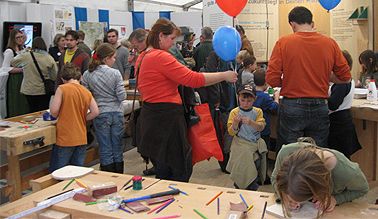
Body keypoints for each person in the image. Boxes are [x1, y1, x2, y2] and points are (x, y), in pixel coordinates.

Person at [134, 18, 237, 182]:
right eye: (172, 39)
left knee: (164, 169)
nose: (174, 43)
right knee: (180, 168)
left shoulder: (143, 56)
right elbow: (193, 79)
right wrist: (224, 76)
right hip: (167, 119)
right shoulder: (160, 56)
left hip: (152, 118)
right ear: (161, 36)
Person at [265, 6, 351, 152]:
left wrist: (290, 80)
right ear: (312, 23)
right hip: (320, 104)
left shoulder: (283, 43)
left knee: (290, 154)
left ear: (293, 24)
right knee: (317, 154)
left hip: (292, 104)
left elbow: (272, 79)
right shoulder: (330, 43)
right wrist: (322, 76)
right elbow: (346, 77)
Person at [271, 137, 369, 219]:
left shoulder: (347, 172)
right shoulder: (285, 153)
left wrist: (336, 199)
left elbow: (362, 190)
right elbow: (275, 177)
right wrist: (284, 196)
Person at [82, 44, 127, 173]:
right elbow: (121, 96)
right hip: (117, 113)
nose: (114, 60)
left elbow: (86, 96)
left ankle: (108, 176)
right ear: (106, 58)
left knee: (105, 148)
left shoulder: (87, 74)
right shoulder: (115, 73)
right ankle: (119, 175)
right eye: (113, 57)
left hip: (100, 113)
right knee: (117, 146)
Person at [49, 63, 99, 173]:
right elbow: (95, 112)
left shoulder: (62, 89)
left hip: (65, 137)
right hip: (81, 137)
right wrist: (82, 117)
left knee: (59, 172)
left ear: (63, 79)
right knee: (77, 171)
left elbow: (54, 111)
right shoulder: (86, 91)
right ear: (80, 78)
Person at [226, 84, 267, 190]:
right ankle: (239, 190)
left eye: (249, 101)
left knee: (254, 170)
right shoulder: (235, 112)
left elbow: (261, 126)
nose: (245, 103)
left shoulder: (257, 112)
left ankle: (252, 189)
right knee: (239, 170)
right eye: (243, 100)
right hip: (241, 146)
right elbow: (231, 132)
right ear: (238, 97)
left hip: (254, 146)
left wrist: (251, 123)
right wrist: (235, 123)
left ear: (255, 99)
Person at [328, 50, 361, 159]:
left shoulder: (341, 83)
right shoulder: (348, 80)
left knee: (339, 158)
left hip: (338, 124)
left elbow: (333, 104)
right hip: (341, 122)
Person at [10, 37, 58, 113]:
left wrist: (23, 51)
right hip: (43, 90)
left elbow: (13, 62)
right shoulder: (49, 58)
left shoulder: (26, 56)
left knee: (32, 110)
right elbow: (54, 76)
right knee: (42, 111)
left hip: (29, 89)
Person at [253, 68, 279, 184]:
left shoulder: (253, 94)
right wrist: (276, 97)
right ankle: (264, 176)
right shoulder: (265, 98)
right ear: (265, 82)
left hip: (253, 131)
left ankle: (255, 175)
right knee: (264, 154)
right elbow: (274, 107)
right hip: (264, 131)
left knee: (255, 153)